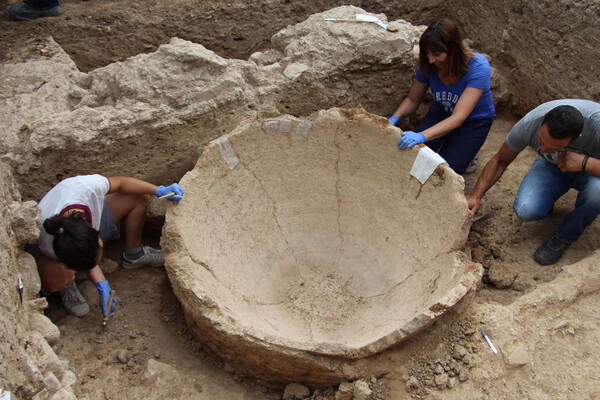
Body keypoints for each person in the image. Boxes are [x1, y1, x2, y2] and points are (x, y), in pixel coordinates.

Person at [26, 174, 184, 317]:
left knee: (138, 196)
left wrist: (159, 190)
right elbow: (82, 254)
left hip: (81, 229)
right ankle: (67, 286)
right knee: (57, 276)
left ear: (95, 230)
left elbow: (121, 183)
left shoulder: (86, 187)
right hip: (48, 253)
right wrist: (101, 284)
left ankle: (134, 254)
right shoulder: (48, 242)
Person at [467, 99, 600, 265]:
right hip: (553, 166)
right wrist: (475, 195)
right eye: (541, 141)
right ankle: (548, 199)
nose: (542, 150)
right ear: (544, 118)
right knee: (526, 209)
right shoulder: (530, 123)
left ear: (578, 137)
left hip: (592, 171)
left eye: (552, 148)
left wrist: (585, 163)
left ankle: (565, 236)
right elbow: (500, 160)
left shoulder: (597, 124)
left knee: (596, 193)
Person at [388, 18, 496, 175]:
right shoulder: (430, 65)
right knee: (415, 157)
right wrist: (394, 118)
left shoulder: (478, 68)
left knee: (443, 171)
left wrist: (422, 136)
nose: (431, 60)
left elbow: (459, 118)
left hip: (473, 121)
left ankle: (469, 150)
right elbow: (412, 99)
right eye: (427, 53)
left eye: (437, 54)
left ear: (453, 49)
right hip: (444, 111)